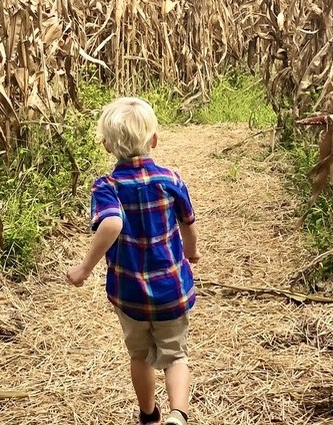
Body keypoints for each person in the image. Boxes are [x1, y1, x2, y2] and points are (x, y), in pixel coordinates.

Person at [66, 97, 199, 425]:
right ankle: (178, 415)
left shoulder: (107, 186)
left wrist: (84, 269)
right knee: (175, 356)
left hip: (130, 295)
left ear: (107, 146)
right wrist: (191, 251)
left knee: (139, 356)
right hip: (172, 291)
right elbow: (188, 222)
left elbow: (111, 223)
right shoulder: (170, 179)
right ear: (154, 140)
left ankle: (149, 415)